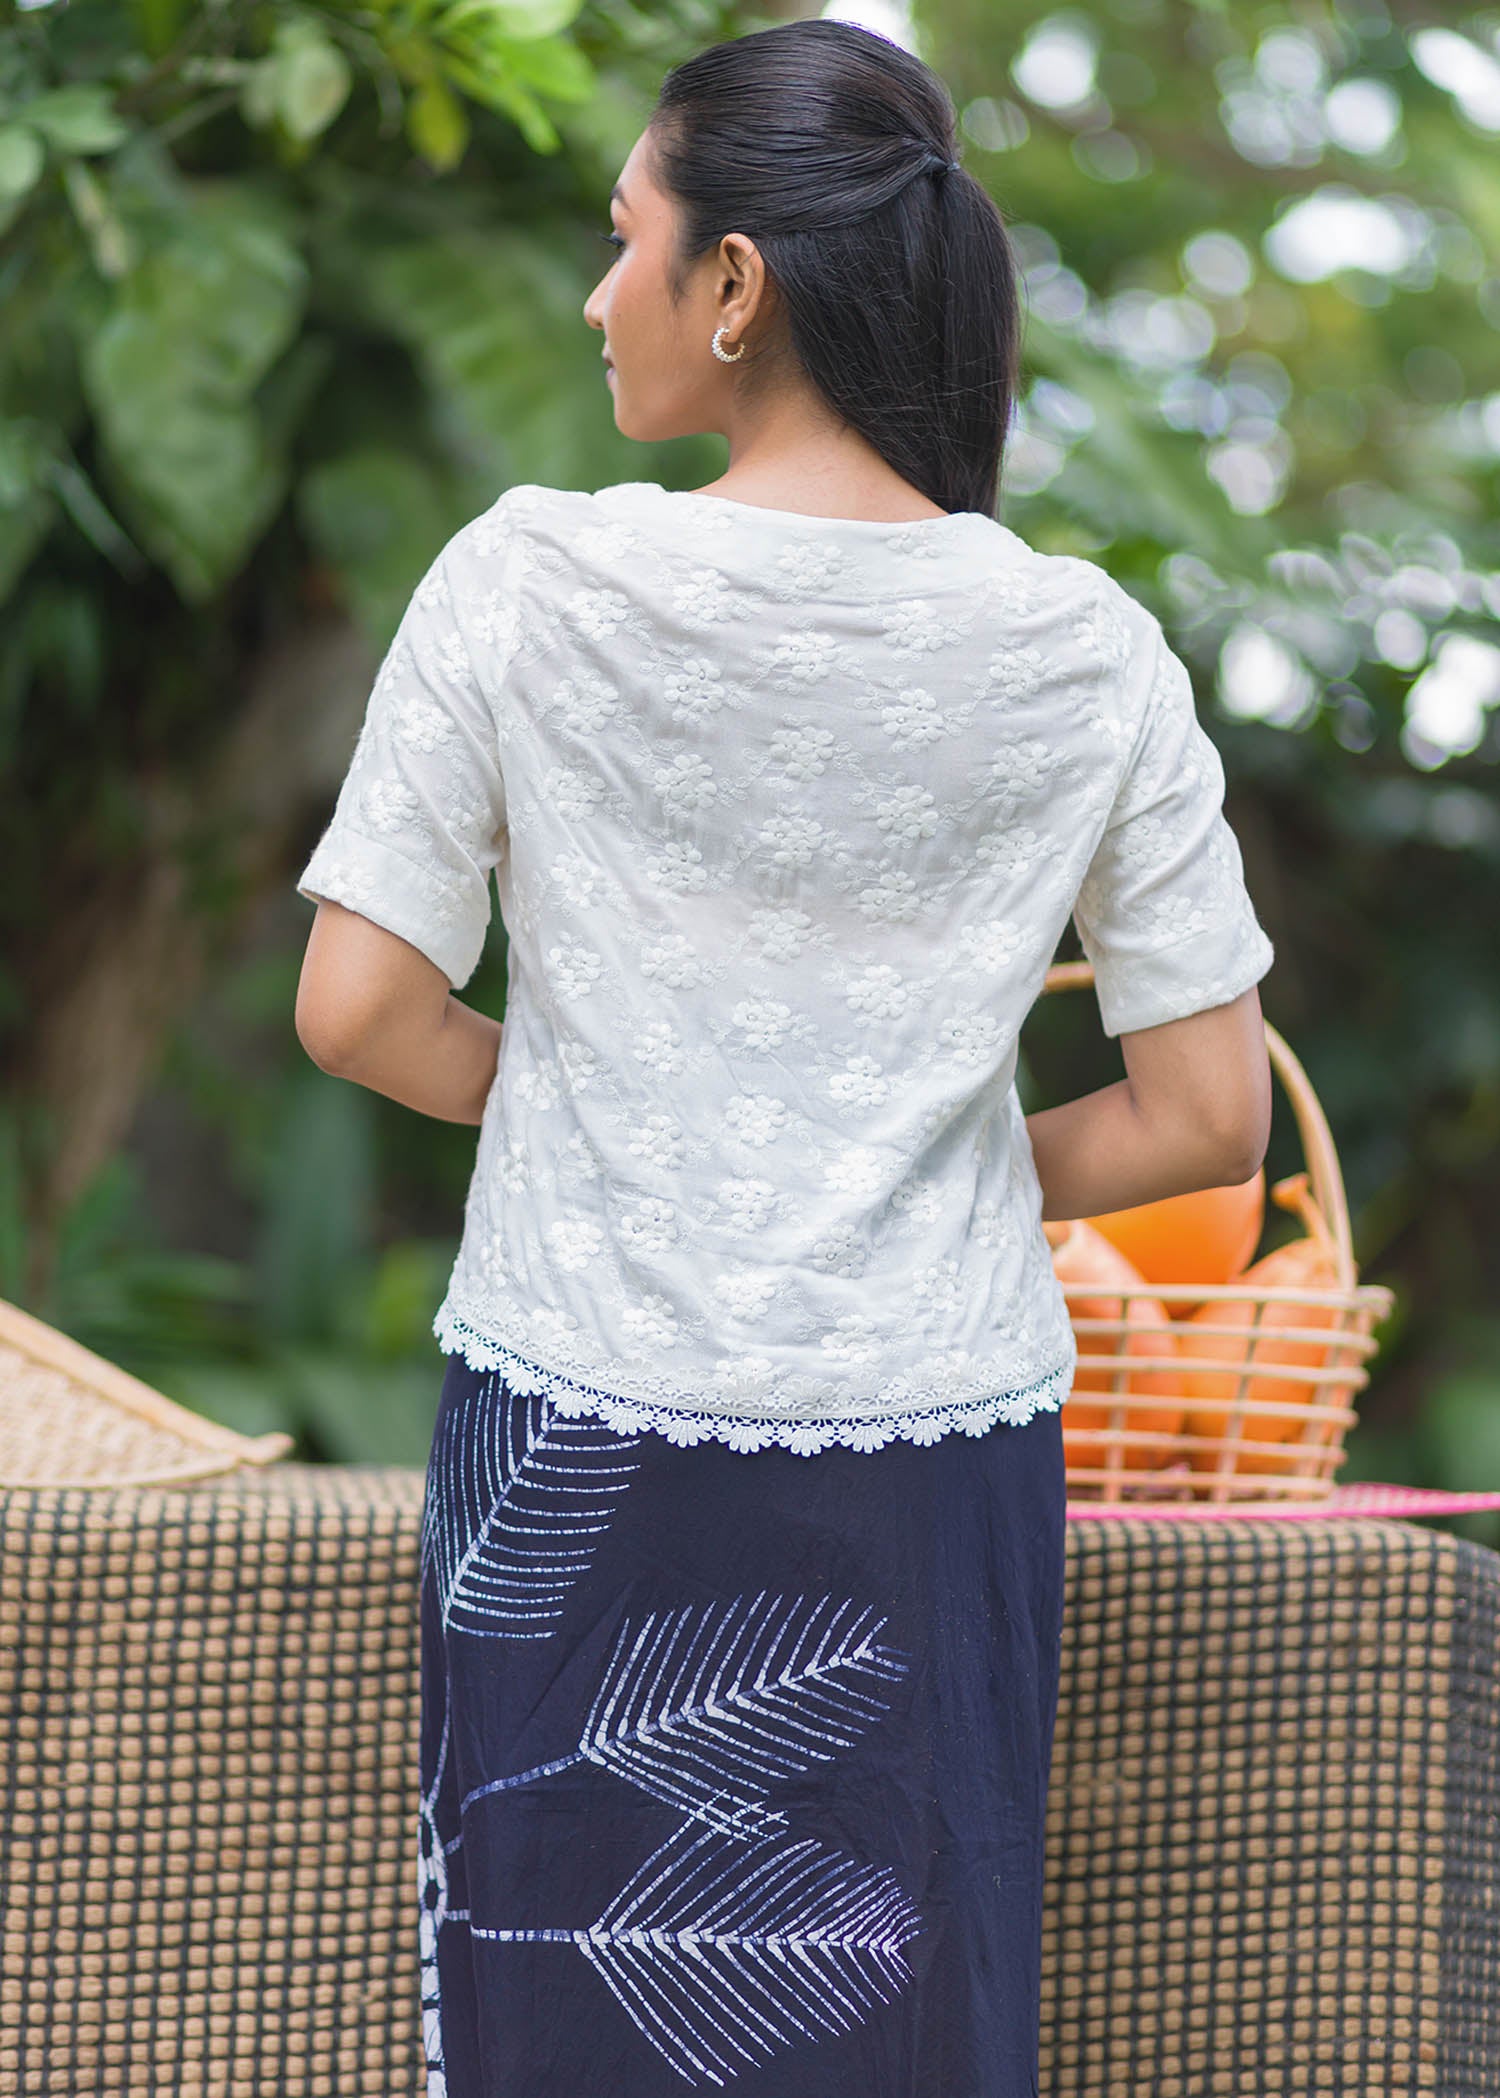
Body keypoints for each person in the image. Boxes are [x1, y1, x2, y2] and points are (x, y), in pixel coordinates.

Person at [292, 19, 1275, 2097]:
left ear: (734, 285)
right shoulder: (1088, 651)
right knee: (897, 2019)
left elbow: (360, 1007)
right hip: (931, 1464)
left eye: (623, 240)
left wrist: (604, 1105)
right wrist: (912, 1156)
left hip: (568, 1432)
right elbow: (1210, 1117)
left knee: (565, 2003)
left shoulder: (529, 582)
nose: (591, 295)